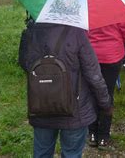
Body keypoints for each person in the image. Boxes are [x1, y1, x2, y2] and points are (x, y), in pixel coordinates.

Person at [25, 23, 112, 158]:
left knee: (41, 153)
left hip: (42, 104)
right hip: (74, 109)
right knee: (72, 153)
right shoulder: (77, 33)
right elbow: (94, 75)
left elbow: (26, 64)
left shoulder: (32, 32)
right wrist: (105, 104)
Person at [87, 0, 125, 149]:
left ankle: (91, 133)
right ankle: (104, 135)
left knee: (90, 92)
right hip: (113, 54)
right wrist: (117, 40)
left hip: (89, 55)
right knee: (107, 93)